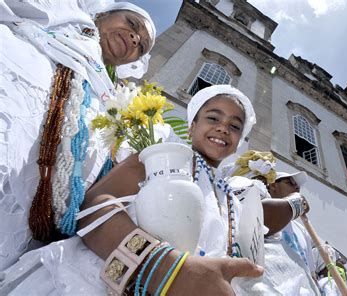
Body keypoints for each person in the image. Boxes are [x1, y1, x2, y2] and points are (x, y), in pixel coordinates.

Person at [0, 85, 264, 295]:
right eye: (213, 118)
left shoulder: (231, 199)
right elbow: (95, 206)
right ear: (193, 125)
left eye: (234, 126)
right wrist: (167, 270)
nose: (222, 128)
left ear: (239, 141)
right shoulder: (161, 155)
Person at [0, 0, 156, 271]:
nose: (134, 38)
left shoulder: (111, 103)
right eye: (132, 25)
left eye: (140, 45)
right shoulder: (62, 19)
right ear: (103, 14)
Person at [225, 152, 320, 295]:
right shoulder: (241, 186)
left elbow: (309, 271)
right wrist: (295, 203)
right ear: (273, 185)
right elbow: (256, 219)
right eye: (290, 182)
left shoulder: (301, 230)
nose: (296, 188)